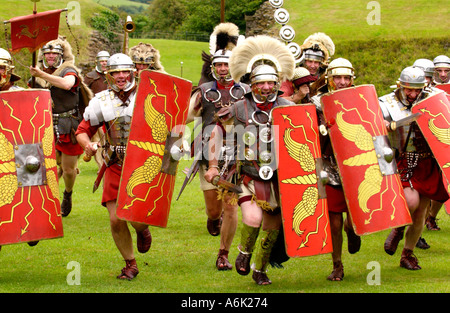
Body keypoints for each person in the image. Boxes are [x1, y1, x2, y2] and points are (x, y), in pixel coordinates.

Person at [205, 35, 295, 285]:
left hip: (279, 178)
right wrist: (213, 166)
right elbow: (216, 132)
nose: (267, 88)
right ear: (252, 84)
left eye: (271, 83)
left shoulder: (288, 107)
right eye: (262, 83)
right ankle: (244, 253)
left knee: (272, 228)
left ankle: (261, 269)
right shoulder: (238, 107)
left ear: (278, 83)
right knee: (253, 219)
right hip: (246, 175)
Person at [75, 53, 152, 280]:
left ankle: (141, 229)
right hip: (114, 163)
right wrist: (88, 145)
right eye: (115, 72)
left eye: (124, 71)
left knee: (136, 216)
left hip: (142, 164)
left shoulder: (149, 95)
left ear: (133, 72)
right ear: (108, 74)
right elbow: (82, 131)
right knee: (116, 218)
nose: (120, 76)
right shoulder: (102, 100)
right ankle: (130, 263)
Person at [379, 66, 449, 270]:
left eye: (417, 90)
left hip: (428, 162)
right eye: (409, 90)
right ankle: (399, 229)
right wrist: (381, 123)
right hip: (404, 160)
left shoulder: (435, 99)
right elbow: (373, 130)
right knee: (410, 201)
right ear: (401, 86)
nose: (413, 94)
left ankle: (407, 254)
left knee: (420, 213)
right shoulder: (386, 103)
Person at [187, 48, 250, 270]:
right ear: (213, 68)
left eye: (227, 64)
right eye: (219, 65)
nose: (223, 69)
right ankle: (214, 218)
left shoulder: (248, 91)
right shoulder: (203, 91)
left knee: (231, 208)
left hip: (238, 158)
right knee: (215, 211)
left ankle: (223, 253)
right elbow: (184, 116)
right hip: (209, 155)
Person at [311, 57, 361, 281]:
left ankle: (353, 231)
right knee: (334, 221)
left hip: (355, 165)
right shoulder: (315, 103)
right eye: (337, 77)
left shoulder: (362, 101)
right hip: (327, 165)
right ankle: (337, 265)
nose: (342, 82)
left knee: (353, 221)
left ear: (352, 79)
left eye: (346, 78)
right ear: (329, 79)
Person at [29, 37, 88, 217]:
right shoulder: (37, 73)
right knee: (46, 167)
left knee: (69, 170)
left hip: (68, 125)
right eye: (48, 53)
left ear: (61, 55)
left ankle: (67, 194)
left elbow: (67, 84)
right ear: (43, 55)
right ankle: (47, 203)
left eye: (54, 53)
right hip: (45, 126)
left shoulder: (69, 71)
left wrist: (42, 75)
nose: (51, 56)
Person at [84, 51, 110, 169]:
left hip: (111, 112)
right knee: (98, 140)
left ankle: (108, 161)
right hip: (96, 113)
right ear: (97, 62)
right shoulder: (90, 77)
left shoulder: (113, 75)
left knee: (109, 139)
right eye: (102, 61)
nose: (104, 63)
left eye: (106, 61)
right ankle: (101, 165)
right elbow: (84, 93)